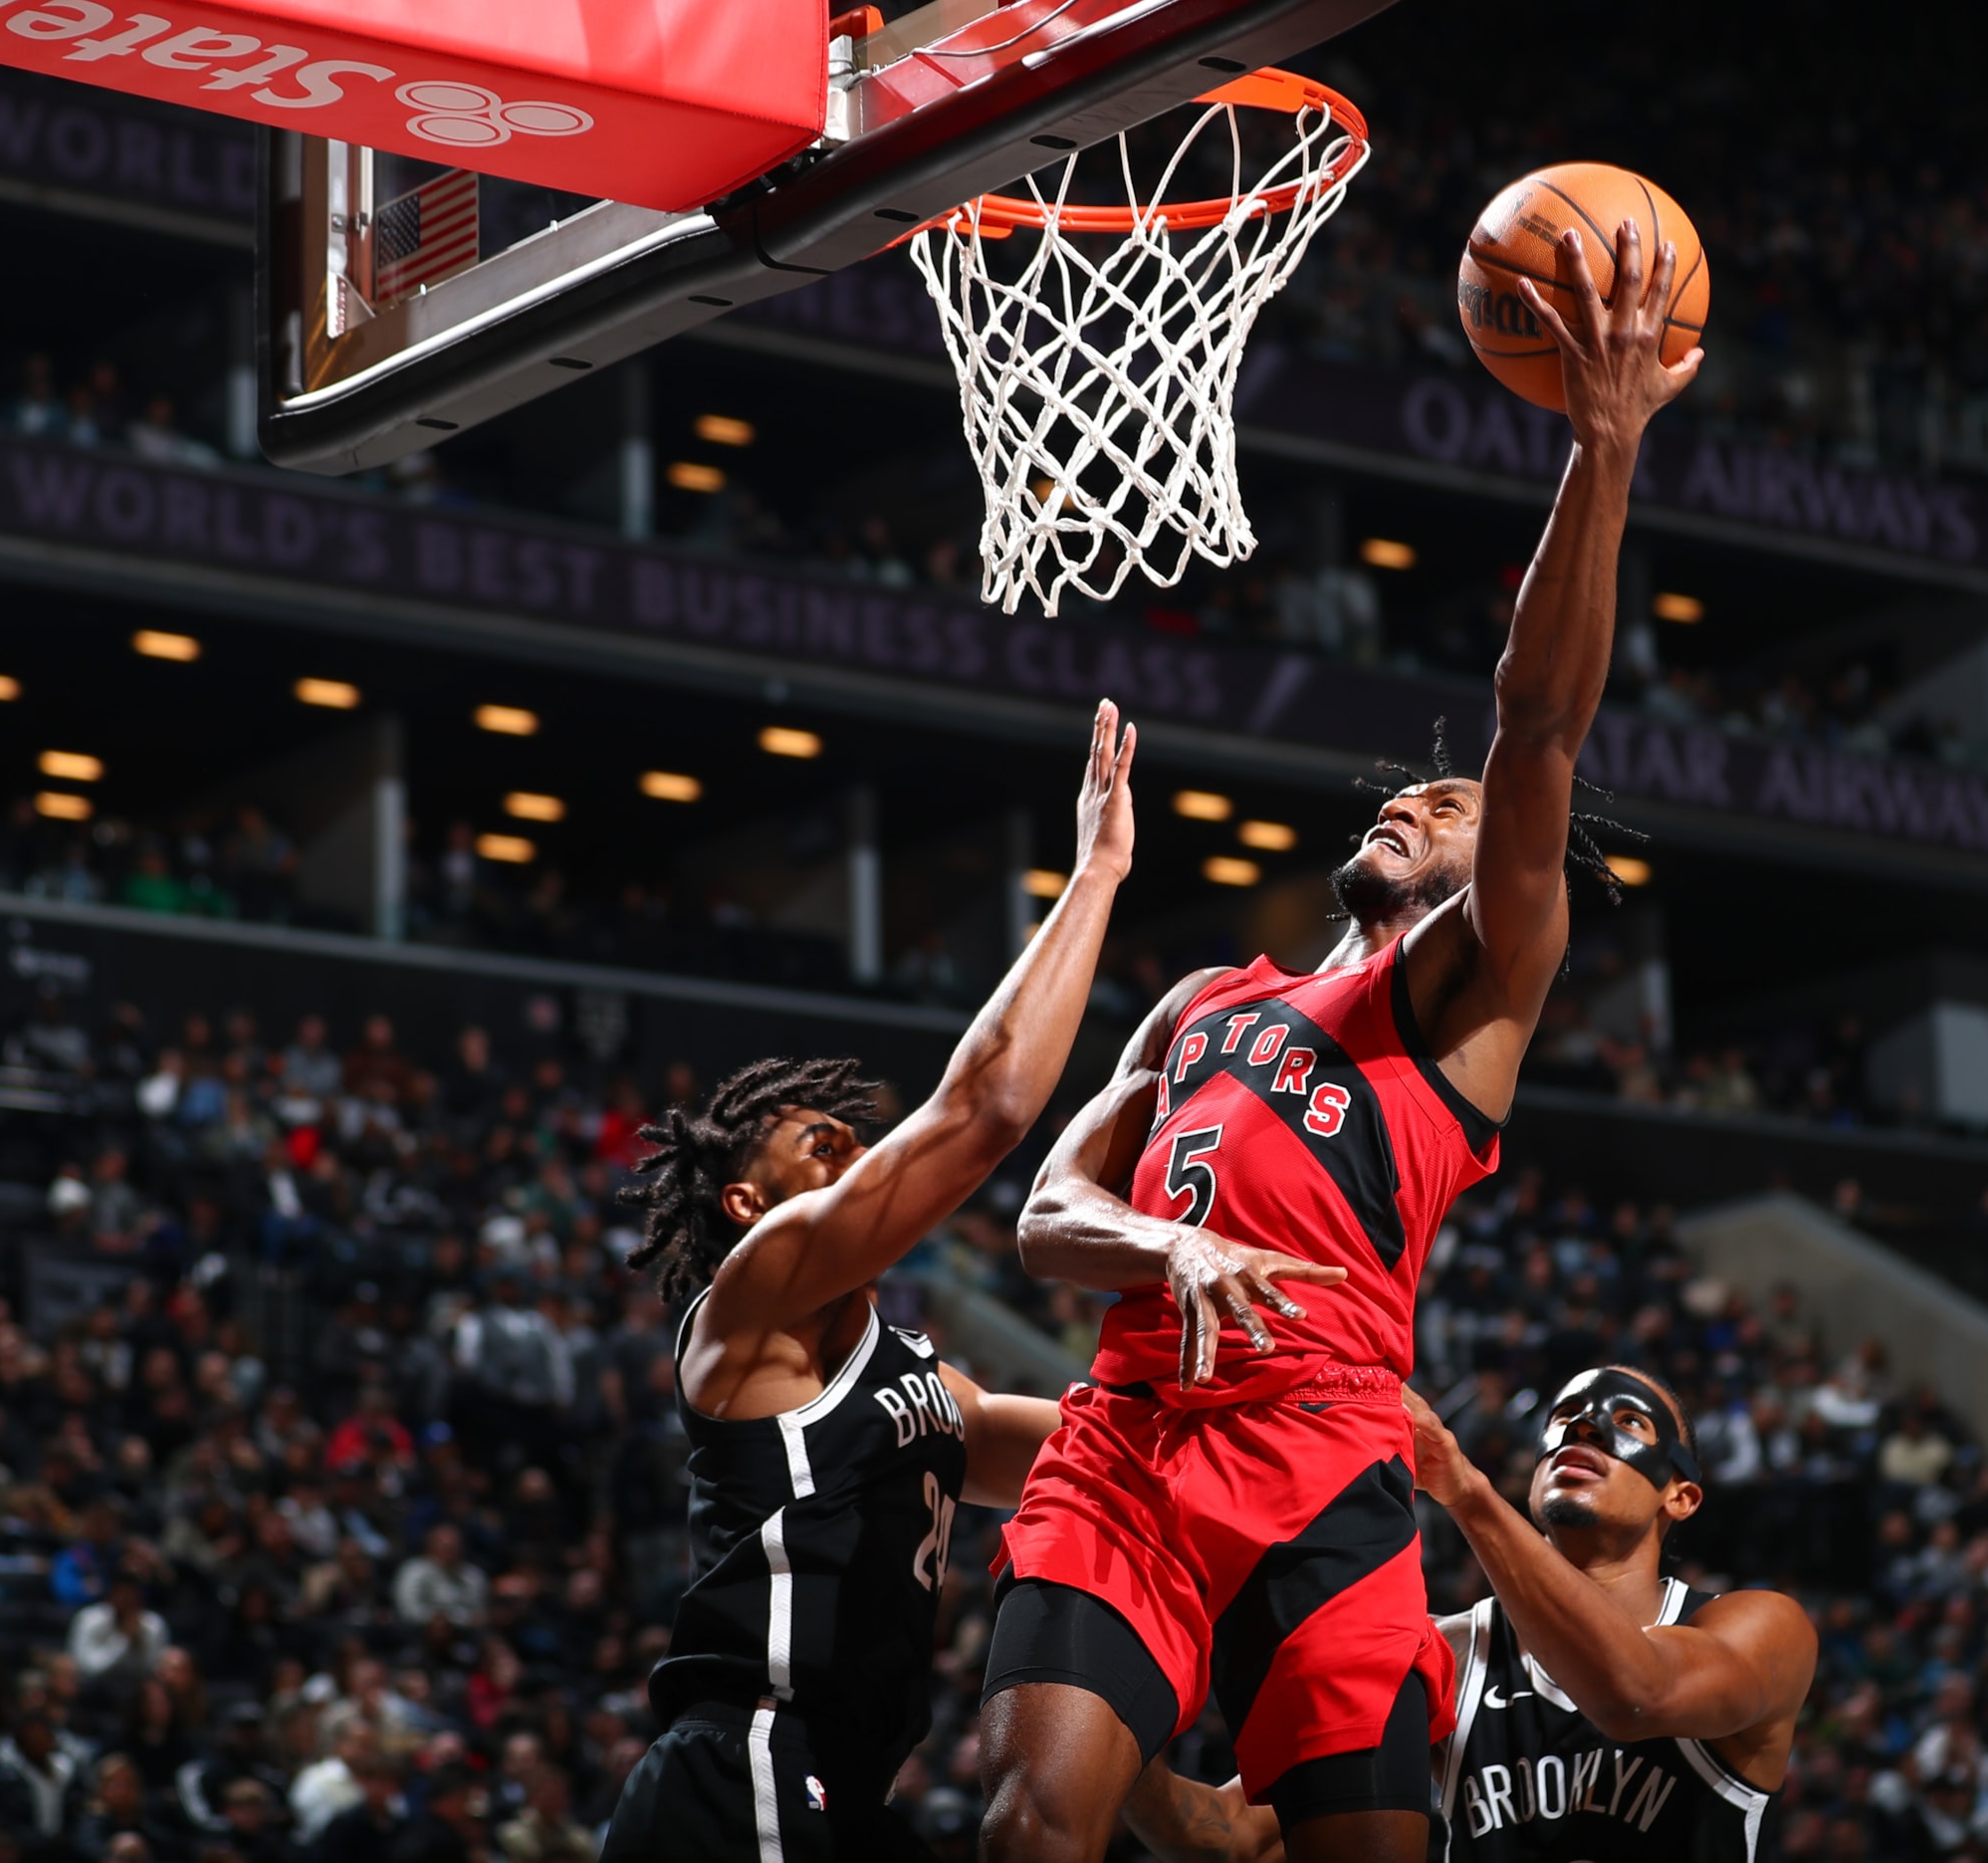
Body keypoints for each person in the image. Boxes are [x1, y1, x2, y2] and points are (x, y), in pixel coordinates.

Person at [982, 222, 1705, 1863]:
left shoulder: (1469, 1001)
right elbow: (1044, 1219)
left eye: (1446, 810)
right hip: (1133, 1448)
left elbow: (1539, 728)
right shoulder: (1203, 1006)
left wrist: (1602, 448)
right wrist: (1172, 1249)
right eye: (1407, 791)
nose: (1416, 799)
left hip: (1329, 1470)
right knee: (1033, 1828)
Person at [595, 701, 1137, 1863]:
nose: (852, 1153)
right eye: (817, 1144)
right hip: (743, 1762)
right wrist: (1096, 871)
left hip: (842, 1787)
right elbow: (985, 1108)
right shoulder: (753, 1300)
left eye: (854, 1139)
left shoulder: (923, 1382)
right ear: (746, 1202)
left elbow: (1093, 1450)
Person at [1118, 1368, 1816, 1862]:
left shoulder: (1758, 1627)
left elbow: (1637, 1695)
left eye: (1627, 1421)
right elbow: (1235, 1837)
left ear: (1681, 1497)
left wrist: (1469, 1494)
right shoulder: (1448, 1654)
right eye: (1564, 1418)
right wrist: (1110, 1727)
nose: (1585, 1427)